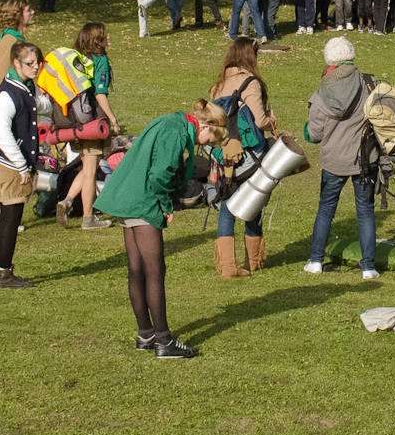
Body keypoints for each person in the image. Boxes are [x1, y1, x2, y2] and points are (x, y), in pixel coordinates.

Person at [95, 100, 234, 357]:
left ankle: (145, 334)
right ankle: (164, 341)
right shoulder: (177, 132)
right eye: (209, 139)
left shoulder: (172, 121)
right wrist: (165, 206)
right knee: (154, 271)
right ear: (204, 125)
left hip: (127, 196)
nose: (205, 145)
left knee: (136, 270)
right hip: (142, 200)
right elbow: (161, 173)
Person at [303, 36, 380, 281]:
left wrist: (307, 129)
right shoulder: (369, 83)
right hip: (365, 159)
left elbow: (314, 134)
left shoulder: (321, 93)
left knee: (326, 210)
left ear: (329, 61)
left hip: (334, 160)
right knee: (365, 211)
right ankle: (368, 267)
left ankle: (316, 261)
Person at [209, 37, 277, 276]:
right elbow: (259, 121)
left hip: (224, 155)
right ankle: (253, 261)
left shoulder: (217, 86)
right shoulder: (250, 83)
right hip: (249, 154)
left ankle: (227, 265)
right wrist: (271, 122)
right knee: (253, 202)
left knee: (227, 205)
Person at [0, 41, 46, 288]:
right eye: (29, 64)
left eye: (38, 63)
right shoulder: (9, 93)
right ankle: (3, 274)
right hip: (9, 163)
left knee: (8, 216)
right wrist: (21, 166)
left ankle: (3, 270)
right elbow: (2, 131)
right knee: (11, 218)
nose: (35, 68)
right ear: (16, 64)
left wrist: (48, 103)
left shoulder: (24, 86)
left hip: (7, 161)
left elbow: (35, 105)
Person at [56, 21, 123, 229]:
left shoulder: (79, 59)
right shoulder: (100, 60)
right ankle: (88, 218)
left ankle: (66, 201)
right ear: (96, 40)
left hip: (75, 120)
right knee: (91, 171)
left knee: (86, 166)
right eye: (105, 36)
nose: (108, 38)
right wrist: (112, 119)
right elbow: (100, 94)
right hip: (93, 120)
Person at [0, 0, 35, 235]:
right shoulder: (11, 42)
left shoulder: (12, 39)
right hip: (10, 110)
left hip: (11, 107)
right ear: (18, 15)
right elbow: (5, 79)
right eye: (28, 10)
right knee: (13, 164)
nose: (32, 12)